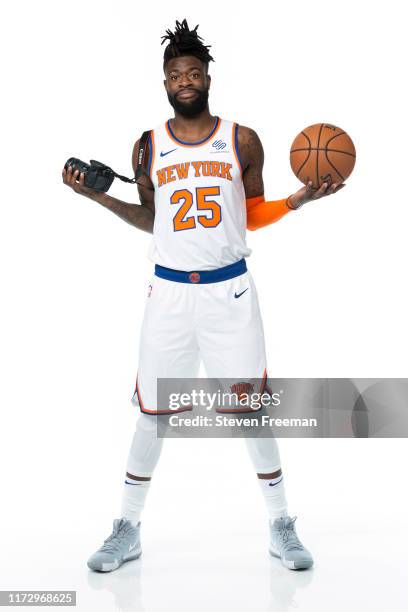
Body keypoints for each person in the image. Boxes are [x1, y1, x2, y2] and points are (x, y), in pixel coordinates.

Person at [62, 19, 344, 573]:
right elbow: (154, 219)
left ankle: (281, 524)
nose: (185, 80)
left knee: (251, 412)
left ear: (208, 76)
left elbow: (251, 213)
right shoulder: (147, 147)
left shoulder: (241, 139)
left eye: (193, 71)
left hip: (229, 294)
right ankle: (127, 528)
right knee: (154, 417)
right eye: (175, 74)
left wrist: (298, 200)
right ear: (164, 83)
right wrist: (96, 200)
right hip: (168, 294)